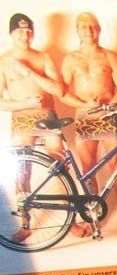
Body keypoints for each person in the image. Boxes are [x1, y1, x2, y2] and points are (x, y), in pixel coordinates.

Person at [61, 12, 117, 234]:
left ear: (99, 29)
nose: (89, 30)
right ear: (77, 30)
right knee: (87, 170)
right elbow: (63, 93)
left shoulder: (110, 56)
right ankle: (94, 218)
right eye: (84, 26)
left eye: (93, 26)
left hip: (108, 116)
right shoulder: (70, 59)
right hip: (85, 118)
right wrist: (83, 104)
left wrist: (110, 105)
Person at [0, 13, 66, 242]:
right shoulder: (3, 61)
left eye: (28, 31)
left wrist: (29, 72)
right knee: (22, 170)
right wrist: (26, 103)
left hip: (47, 116)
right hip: (22, 119)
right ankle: (25, 224)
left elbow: (58, 90)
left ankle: (68, 220)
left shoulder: (43, 57)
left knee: (60, 166)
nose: (25, 35)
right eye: (19, 31)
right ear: (11, 33)